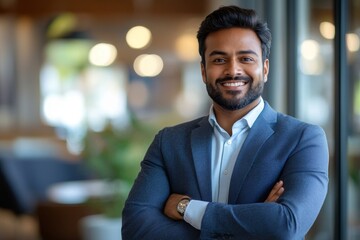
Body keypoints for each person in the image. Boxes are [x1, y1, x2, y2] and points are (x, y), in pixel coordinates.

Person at [122, 5, 329, 240]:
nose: (233, 70)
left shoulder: (303, 139)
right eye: (219, 59)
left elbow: (287, 225)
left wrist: (187, 208)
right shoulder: (169, 142)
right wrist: (255, 225)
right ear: (203, 71)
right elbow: (135, 230)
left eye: (246, 58)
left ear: (265, 68)